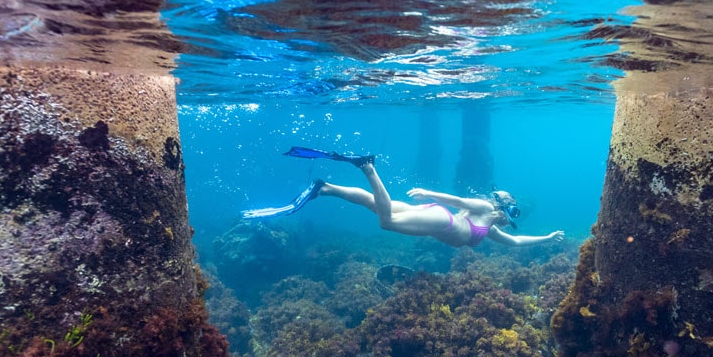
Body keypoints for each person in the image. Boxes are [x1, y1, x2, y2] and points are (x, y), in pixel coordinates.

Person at [242, 147, 566, 248]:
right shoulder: (483, 209)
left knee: (374, 204)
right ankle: (367, 167)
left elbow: (519, 243)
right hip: (440, 218)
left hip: (436, 217)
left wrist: (549, 237)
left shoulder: (492, 229)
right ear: (504, 209)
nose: (512, 220)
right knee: (387, 221)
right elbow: (457, 201)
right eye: (513, 213)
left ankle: (324, 189)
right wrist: (428, 192)